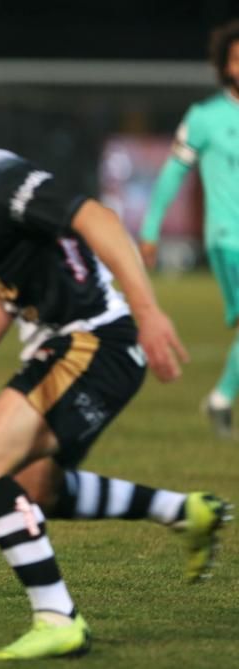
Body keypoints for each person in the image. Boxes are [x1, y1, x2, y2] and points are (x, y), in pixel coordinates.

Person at [0, 74, 231, 660]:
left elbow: (100, 221)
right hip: (65, 345)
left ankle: (58, 618)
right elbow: (3, 283)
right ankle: (184, 513)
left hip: (95, 340)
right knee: (36, 487)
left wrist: (151, 312)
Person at [140, 20, 239, 439]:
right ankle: (220, 400)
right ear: (224, 66)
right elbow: (171, 175)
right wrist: (150, 228)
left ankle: (220, 400)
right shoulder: (205, 118)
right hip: (228, 238)